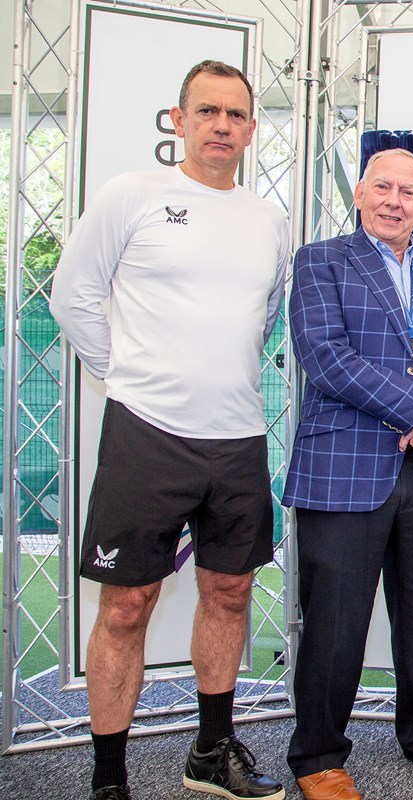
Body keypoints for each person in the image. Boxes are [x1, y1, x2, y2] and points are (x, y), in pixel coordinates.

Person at [50, 61, 290, 800]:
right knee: (127, 605)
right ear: (178, 120)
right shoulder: (134, 195)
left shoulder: (268, 221)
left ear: (251, 129)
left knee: (229, 593)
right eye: (207, 111)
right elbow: (72, 296)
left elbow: (266, 318)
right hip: (145, 435)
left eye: (236, 114)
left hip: (238, 437)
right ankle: (109, 778)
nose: (222, 125)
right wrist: (125, 377)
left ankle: (209, 757)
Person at [283, 148, 413, 800]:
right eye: (383, 187)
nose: (395, 200)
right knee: (337, 620)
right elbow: (327, 359)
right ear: (362, 194)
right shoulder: (321, 263)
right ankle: (317, 754)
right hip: (344, 467)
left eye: (409, 192)